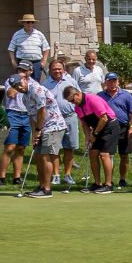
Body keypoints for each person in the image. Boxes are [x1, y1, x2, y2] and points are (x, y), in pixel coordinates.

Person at [17, 72, 65, 199]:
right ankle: (41, 185)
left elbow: (42, 111)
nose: (19, 88)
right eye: (16, 87)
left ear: (24, 80)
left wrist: (38, 129)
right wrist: (34, 133)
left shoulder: (36, 89)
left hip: (53, 125)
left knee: (45, 155)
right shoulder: (24, 97)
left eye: (19, 84)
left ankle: (47, 188)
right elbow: (32, 116)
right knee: (38, 156)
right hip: (42, 127)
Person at [62, 85, 118, 194]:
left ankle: (108, 184)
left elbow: (104, 118)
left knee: (104, 154)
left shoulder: (92, 99)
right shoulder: (78, 108)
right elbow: (85, 125)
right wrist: (88, 138)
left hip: (109, 126)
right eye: (70, 102)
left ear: (77, 94)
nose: (73, 103)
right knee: (92, 154)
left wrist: (95, 134)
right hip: (98, 128)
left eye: (73, 100)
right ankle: (98, 183)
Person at [42, 59, 83, 188]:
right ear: (50, 70)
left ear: (63, 69)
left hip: (70, 116)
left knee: (69, 147)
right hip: (54, 119)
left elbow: (79, 97)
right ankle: (56, 175)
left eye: (59, 69)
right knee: (55, 148)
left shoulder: (70, 81)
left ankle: (67, 174)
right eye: (54, 69)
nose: (57, 71)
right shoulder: (45, 84)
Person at [1, 62, 42, 188]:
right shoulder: (11, 80)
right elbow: (11, 94)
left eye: (24, 70)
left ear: (30, 71)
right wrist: (18, 82)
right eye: (19, 69)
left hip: (27, 115)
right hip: (12, 113)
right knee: (10, 146)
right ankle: (1, 177)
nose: (21, 72)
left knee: (21, 147)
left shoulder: (35, 84)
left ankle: (16, 177)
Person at [97, 74, 132, 188]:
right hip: (107, 128)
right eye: (110, 81)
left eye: (114, 81)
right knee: (109, 154)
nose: (112, 83)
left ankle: (122, 179)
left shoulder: (126, 95)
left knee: (124, 155)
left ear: (118, 82)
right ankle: (108, 180)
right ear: (106, 82)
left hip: (123, 127)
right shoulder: (100, 96)